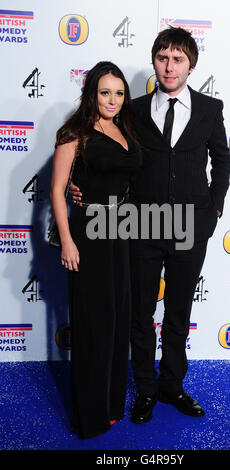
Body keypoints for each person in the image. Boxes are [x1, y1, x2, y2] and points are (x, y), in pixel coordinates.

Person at [71, 27, 230, 425]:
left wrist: (213, 211)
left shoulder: (211, 108)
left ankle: (172, 385)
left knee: (178, 311)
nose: (169, 66)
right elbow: (103, 147)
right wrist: (80, 184)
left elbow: (222, 162)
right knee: (141, 313)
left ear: (191, 64)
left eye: (178, 59)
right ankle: (145, 388)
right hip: (141, 225)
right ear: (154, 61)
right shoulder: (133, 110)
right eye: (163, 58)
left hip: (191, 227)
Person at [50, 61, 141, 439]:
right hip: (87, 234)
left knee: (117, 321)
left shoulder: (124, 129)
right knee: (92, 325)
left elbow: (124, 179)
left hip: (120, 232)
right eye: (105, 92)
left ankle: (110, 406)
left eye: (119, 93)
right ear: (92, 93)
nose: (113, 99)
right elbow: (57, 190)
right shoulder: (76, 132)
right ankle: (90, 416)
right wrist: (68, 239)